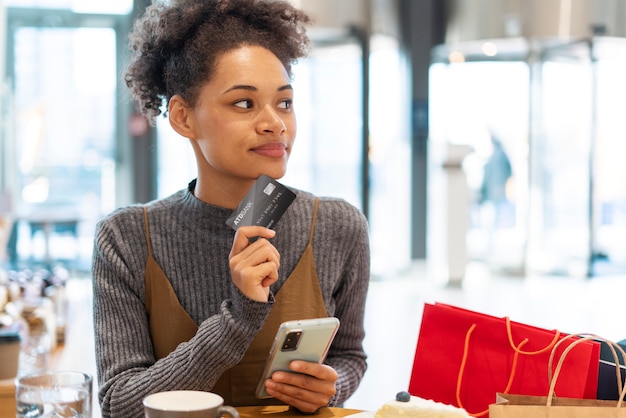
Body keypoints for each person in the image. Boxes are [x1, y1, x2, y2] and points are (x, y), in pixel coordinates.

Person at [91, 0, 370, 417]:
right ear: (184, 117)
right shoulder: (126, 238)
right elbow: (120, 405)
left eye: (285, 102)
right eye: (244, 103)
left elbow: (350, 356)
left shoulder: (338, 225)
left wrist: (330, 387)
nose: (274, 123)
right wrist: (239, 318)